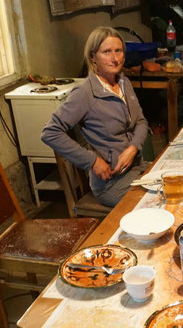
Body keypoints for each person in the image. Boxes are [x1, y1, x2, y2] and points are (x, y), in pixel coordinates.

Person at [41, 27, 149, 207]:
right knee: (156, 204)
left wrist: (132, 148)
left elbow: (141, 122)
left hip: (138, 168)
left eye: (118, 51)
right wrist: (93, 161)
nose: (115, 58)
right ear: (93, 57)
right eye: (106, 52)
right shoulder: (85, 93)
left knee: (177, 187)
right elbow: (50, 132)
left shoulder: (124, 82)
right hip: (111, 182)